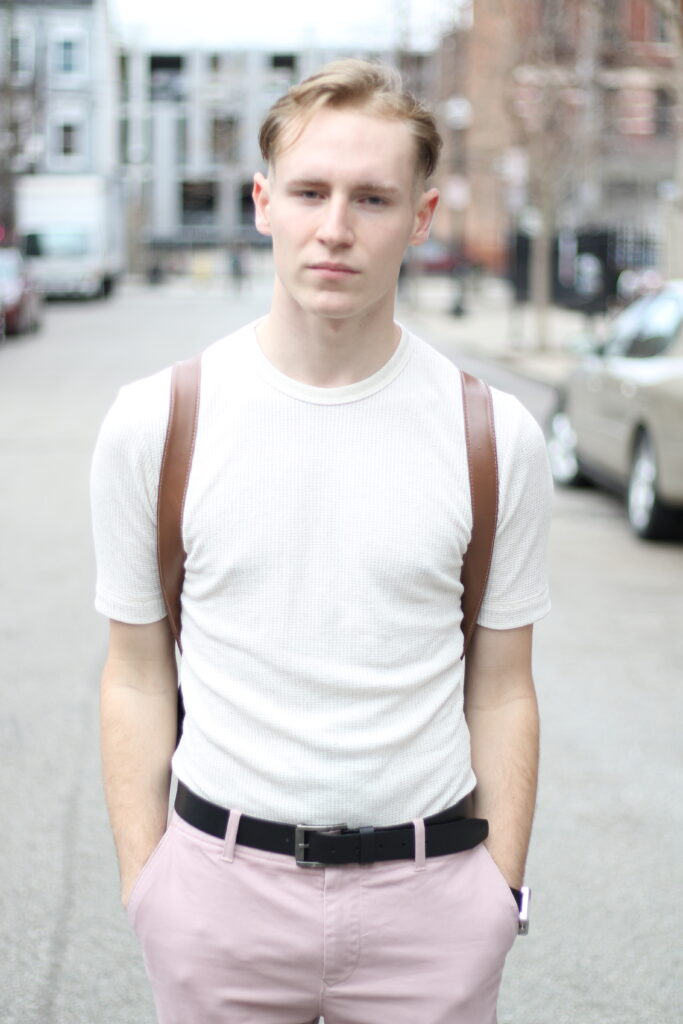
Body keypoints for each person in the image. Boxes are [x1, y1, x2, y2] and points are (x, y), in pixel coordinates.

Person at [90, 59, 552, 1024]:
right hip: (218, 904)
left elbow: (504, 683)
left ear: (420, 218)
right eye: (309, 191)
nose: (335, 227)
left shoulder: (494, 437)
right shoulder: (158, 421)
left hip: (430, 908)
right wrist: (152, 887)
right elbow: (134, 673)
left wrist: (495, 894)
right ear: (264, 202)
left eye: (372, 197)